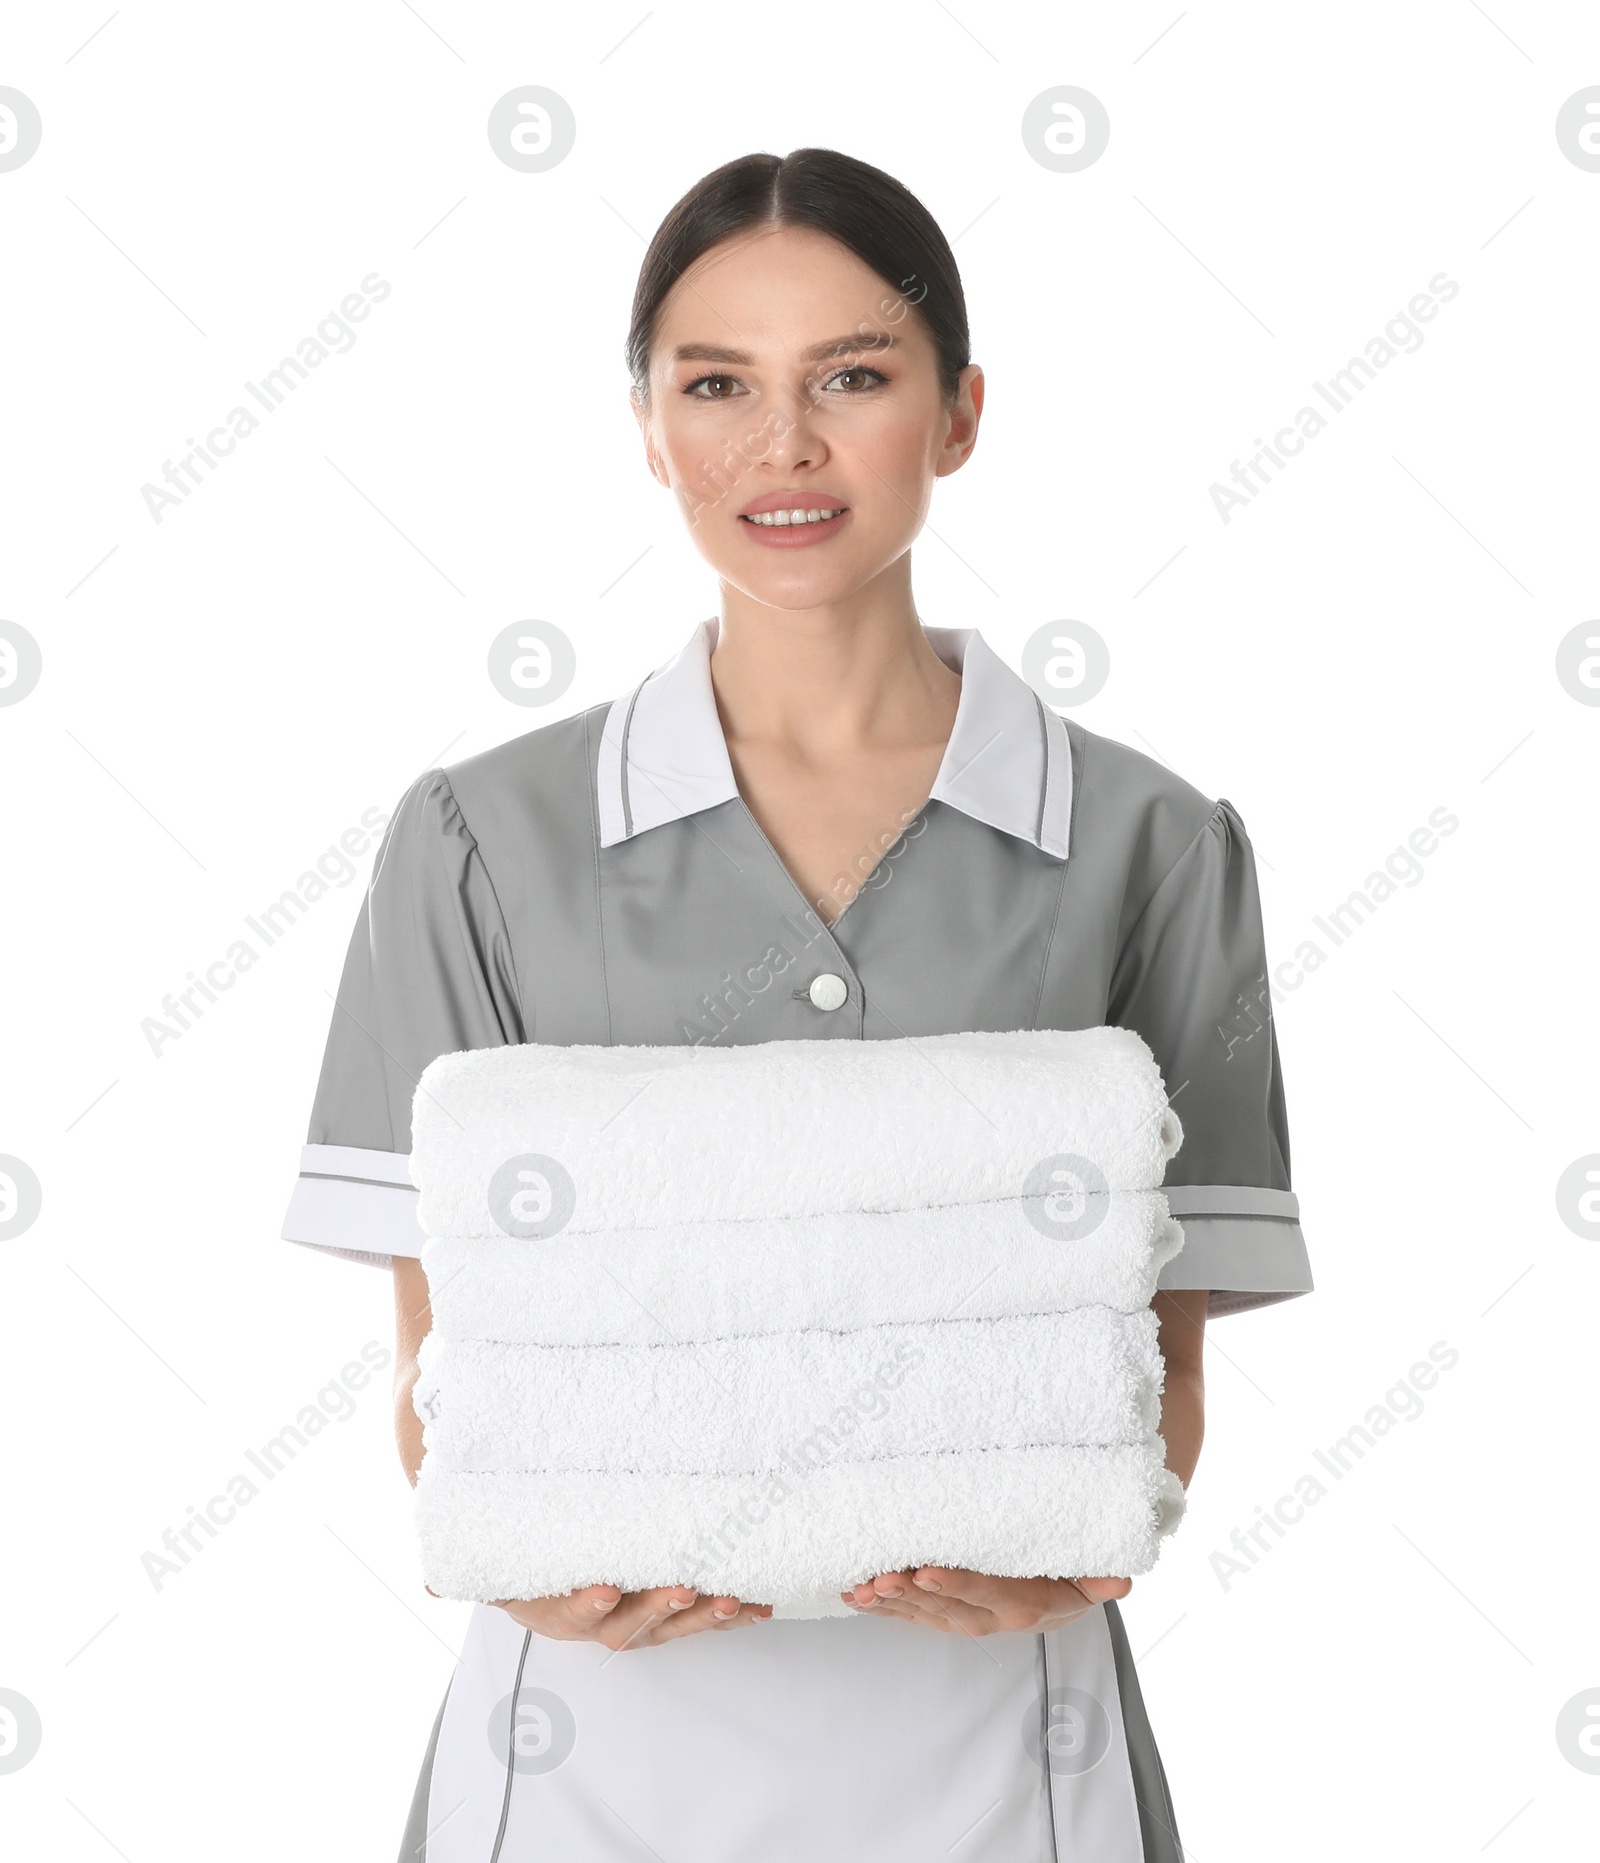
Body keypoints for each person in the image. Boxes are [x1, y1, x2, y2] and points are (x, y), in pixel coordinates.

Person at [280, 146, 1312, 1863]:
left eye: (853, 376)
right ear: (649, 427)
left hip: (1006, 1759)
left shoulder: (1150, 843)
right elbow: (436, 1379)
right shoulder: (479, 840)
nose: (784, 447)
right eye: (717, 386)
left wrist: (1072, 1539)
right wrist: (539, 1554)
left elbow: (1163, 1374)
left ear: (960, 412)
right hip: (585, 1760)